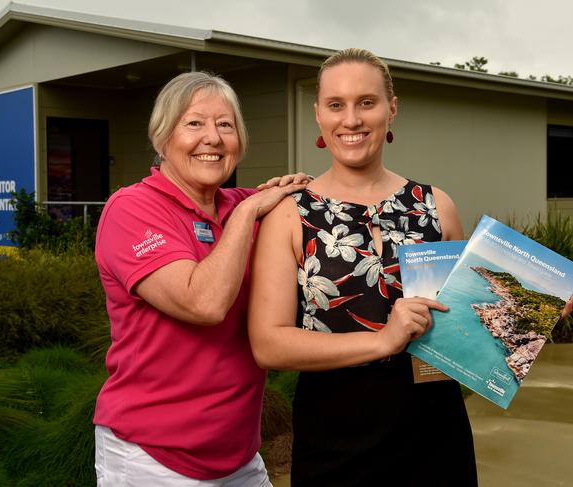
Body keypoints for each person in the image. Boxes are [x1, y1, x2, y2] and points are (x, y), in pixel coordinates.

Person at [248, 48, 478, 487]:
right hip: (336, 442)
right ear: (318, 115)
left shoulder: (437, 206)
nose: (351, 120)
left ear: (391, 109)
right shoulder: (289, 215)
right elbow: (268, 345)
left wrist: (529, 311)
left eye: (366, 103)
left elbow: (464, 331)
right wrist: (383, 341)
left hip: (437, 436)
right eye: (336, 105)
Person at [93, 71, 308, 486]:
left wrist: (304, 190)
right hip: (151, 459)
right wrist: (247, 214)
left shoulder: (247, 203)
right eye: (194, 123)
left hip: (240, 456)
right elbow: (203, 303)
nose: (212, 137)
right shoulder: (131, 209)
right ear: (162, 138)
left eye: (225, 125)